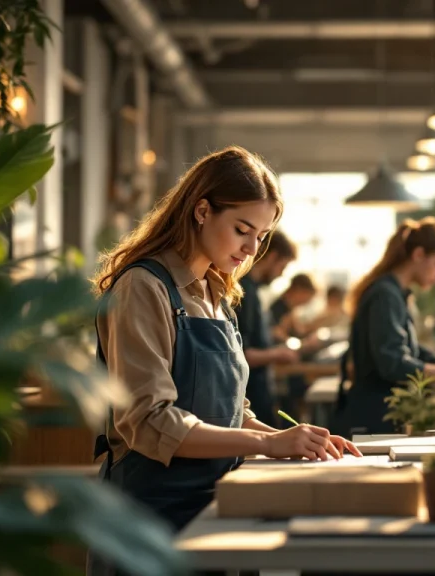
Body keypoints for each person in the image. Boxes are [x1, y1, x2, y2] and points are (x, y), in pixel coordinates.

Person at [88, 147, 361, 574]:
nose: (252, 249)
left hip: (216, 508)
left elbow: (232, 411)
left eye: (262, 236)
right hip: (150, 520)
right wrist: (267, 444)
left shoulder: (217, 293)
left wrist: (294, 441)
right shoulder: (144, 287)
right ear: (201, 210)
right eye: (242, 230)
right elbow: (149, 421)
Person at [332, 216, 435, 437]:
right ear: (418, 255)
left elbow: (409, 349)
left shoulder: (395, 294)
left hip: (378, 416)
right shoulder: (385, 295)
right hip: (373, 419)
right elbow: (393, 363)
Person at [236, 230, 301, 427]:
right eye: (283, 266)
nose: (282, 273)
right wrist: (277, 354)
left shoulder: (253, 290)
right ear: (273, 257)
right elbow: (241, 353)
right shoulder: (243, 291)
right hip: (250, 398)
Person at [269, 273, 318, 343]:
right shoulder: (280, 308)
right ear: (299, 290)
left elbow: (300, 331)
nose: (307, 302)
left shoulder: (290, 309)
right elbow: (276, 333)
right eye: (307, 296)